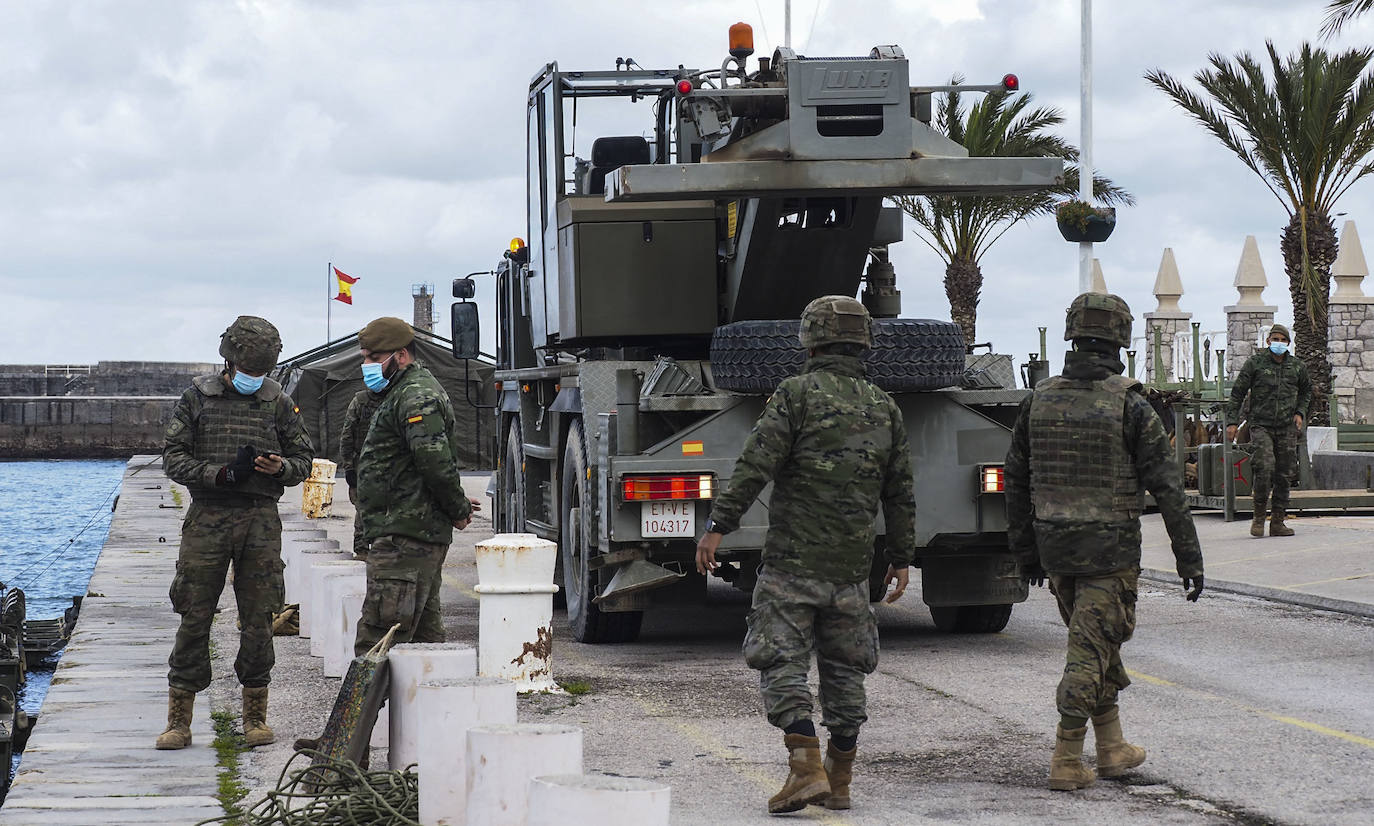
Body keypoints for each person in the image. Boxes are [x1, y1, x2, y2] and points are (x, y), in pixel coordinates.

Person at [696, 296, 916, 815]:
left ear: (809, 340)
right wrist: (902, 557)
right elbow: (900, 492)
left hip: (792, 566)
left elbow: (755, 465)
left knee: (779, 659)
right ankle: (839, 780)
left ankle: (804, 767)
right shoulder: (885, 406)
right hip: (851, 572)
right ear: (864, 342)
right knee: (846, 671)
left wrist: (717, 528)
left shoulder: (795, 395)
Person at [1005, 293, 1205, 791]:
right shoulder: (1131, 404)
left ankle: (1112, 747)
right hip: (1109, 553)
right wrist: (1189, 558)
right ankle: (1067, 758)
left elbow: (1016, 482)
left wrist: (1026, 552)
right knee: (1088, 655)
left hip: (1055, 551)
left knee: (1097, 647)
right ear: (1120, 338)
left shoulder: (1038, 399)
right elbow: (1167, 487)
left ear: (1072, 334)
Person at [158, 316, 314, 750]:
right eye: (247, 372)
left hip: (260, 520)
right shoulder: (196, 398)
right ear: (228, 361)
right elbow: (173, 458)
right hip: (208, 517)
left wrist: (280, 467)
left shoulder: (278, 401)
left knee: (260, 618)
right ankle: (179, 721)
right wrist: (219, 474)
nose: (253, 380)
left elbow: (304, 458)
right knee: (194, 616)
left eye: (260, 373)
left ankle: (255, 718)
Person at [352, 317, 480, 655]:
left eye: (373, 358)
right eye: (364, 357)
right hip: (407, 533)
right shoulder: (403, 393)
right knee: (423, 645)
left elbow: (434, 462)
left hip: (405, 538)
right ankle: (416, 708)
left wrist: (457, 508)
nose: (366, 366)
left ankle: (359, 709)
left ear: (401, 357)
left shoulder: (415, 397)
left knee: (377, 642)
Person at [1225, 324, 1311, 537]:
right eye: (1275, 338)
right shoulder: (1255, 364)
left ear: (1288, 343)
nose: (1279, 343)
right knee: (1264, 467)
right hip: (1261, 425)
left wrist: (1300, 412)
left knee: (1284, 473)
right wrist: (1231, 422)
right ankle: (1259, 518)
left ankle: (1278, 522)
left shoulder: (1297, 367)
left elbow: (1306, 391)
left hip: (1286, 427)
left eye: (1283, 339)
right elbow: (1237, 393)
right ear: (1268, 341)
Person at [338, 386, 385, 558]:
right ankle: (362, 550)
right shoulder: (360, 401)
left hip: (389, 464)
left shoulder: (398, 397)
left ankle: (383, 548)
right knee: (362, 508)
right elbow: (347, 435)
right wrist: (349, 467)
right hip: (362, 464)